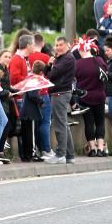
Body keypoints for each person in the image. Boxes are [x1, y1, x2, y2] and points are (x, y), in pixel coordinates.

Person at [74, 40, 109, 156]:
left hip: (85, 97)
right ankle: (100, 148)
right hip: (99, 95)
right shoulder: (99, 61)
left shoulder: (77, 64)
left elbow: (74, 80)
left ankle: (92, 149)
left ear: (81, 50)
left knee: (88, 123)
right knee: (100, 122)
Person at [46, 37, 76, 165]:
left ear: (68, 45)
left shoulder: (67, 58)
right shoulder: (62, 58)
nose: (58, 47)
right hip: (60, 92)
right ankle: (69, 155)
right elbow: (50, 74)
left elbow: (52, 75)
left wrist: (50, 65)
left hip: (61, 93)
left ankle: (60, 154)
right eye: (56, 45)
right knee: (63, 124)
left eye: (61, 45)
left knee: (60, 125)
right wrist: (50, 65)